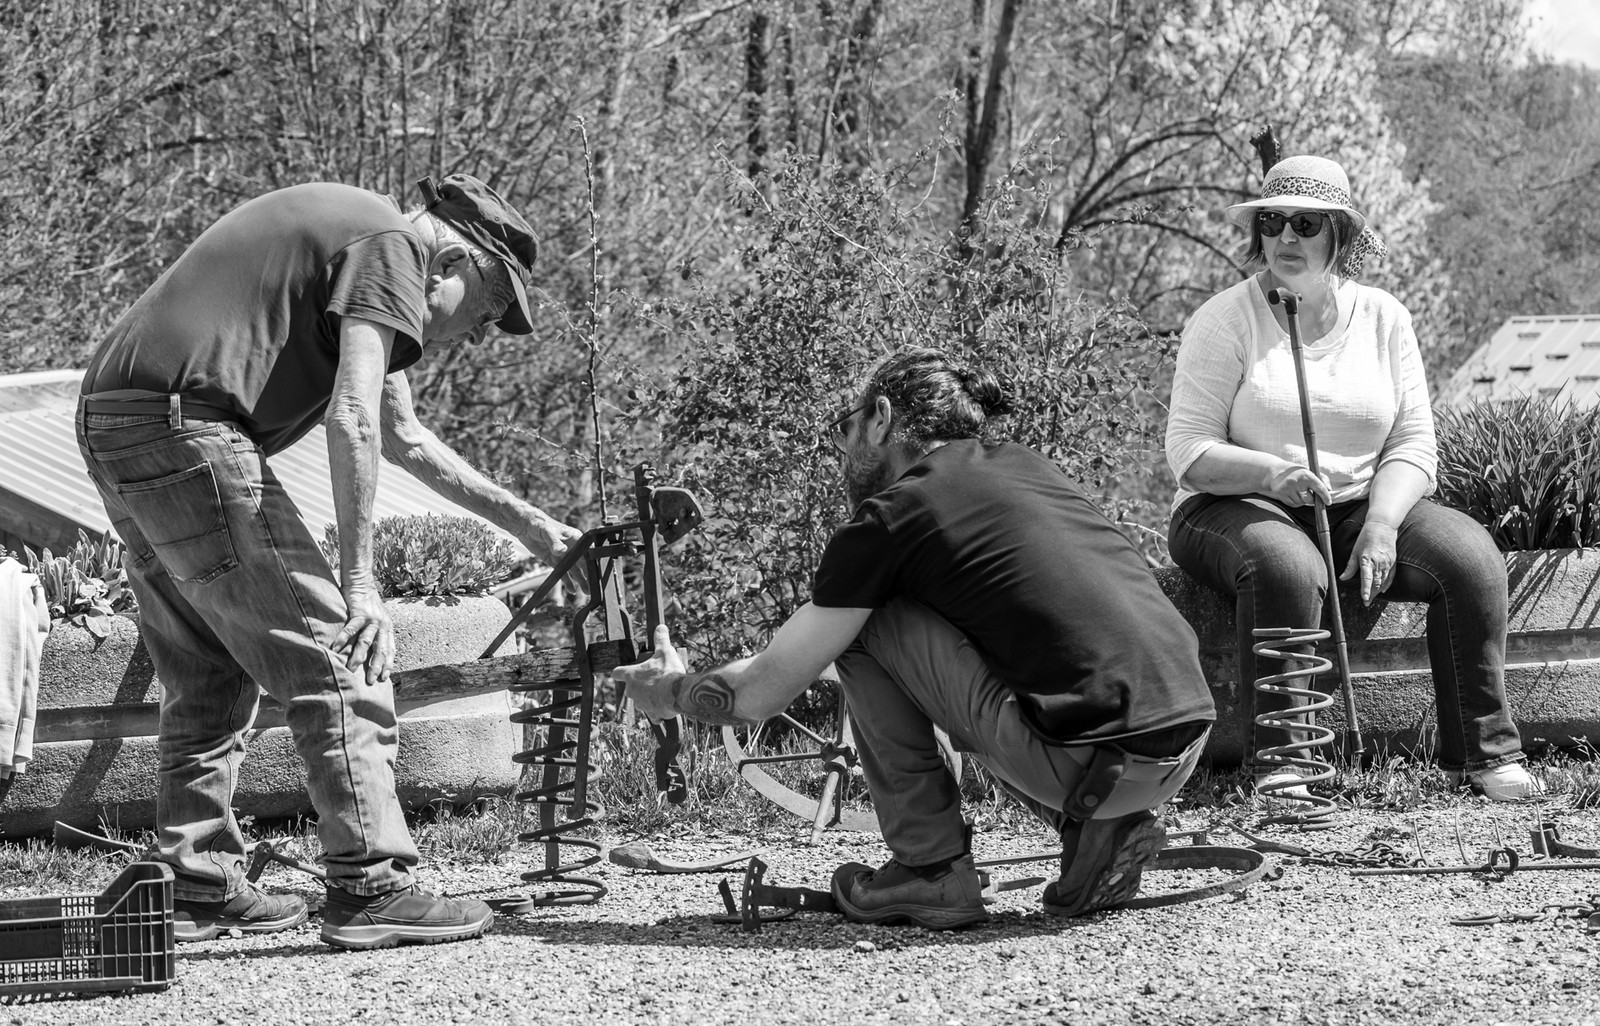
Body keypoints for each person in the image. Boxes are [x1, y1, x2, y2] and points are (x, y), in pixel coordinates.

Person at [76, 174, 585, 950]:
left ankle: (195, 883)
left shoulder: (359, 245)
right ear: (451, 263)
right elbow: (353, 421)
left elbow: (405, 438)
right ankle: (371, 884)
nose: (479, 335)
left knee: (208, 671)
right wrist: (359, 586)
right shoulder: (389, 247)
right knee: (343, 658)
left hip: (120, 426)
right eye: (485, 312)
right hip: (188, 431)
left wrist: (533, 525)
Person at [617, 347, 1216, 930]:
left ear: (881, 418)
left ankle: (931, 867)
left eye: (846, 428)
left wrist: (668, 689)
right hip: (1182, 745)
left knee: (864, 622)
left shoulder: (891, 516)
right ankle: (1095, 831)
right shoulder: (1027, 468)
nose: (844, 449)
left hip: (1085, 762)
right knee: (974, 630)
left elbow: (760, 695)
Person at [1164, 154, 1538, 802]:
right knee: (1289, 566)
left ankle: (1483, 754)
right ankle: (1285, 761)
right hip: (1232, 502)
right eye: (1273, 221)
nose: (1286, 236)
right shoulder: (1224, 319)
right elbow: (1189, 450)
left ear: (1341, 235)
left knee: (1472, 559)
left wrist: (1384, 525)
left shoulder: (1385, 318)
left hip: (1359, 502)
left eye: (1306, 223)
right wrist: (1274, 474)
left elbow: (1414, 443)